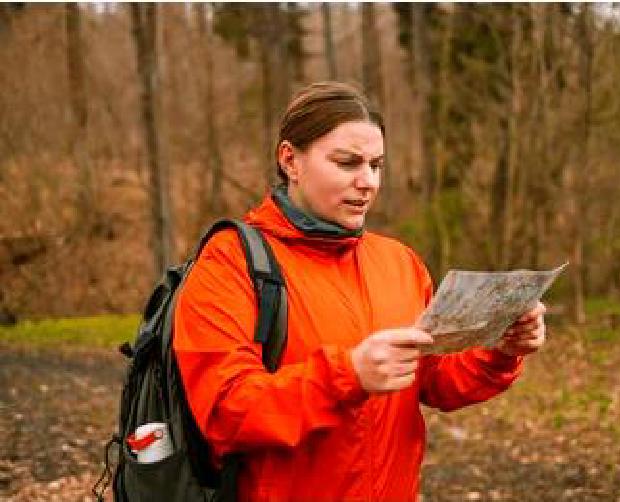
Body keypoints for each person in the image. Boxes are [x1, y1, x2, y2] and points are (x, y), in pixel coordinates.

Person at [173, 81, 546, 501]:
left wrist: (502, 349)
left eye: (376, 165)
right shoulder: (230, 261)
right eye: (348, 163)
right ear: (290, 160)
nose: (368, 181)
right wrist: (348, 376)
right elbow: (225, 410)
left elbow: (436, 379)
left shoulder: (399, 262)